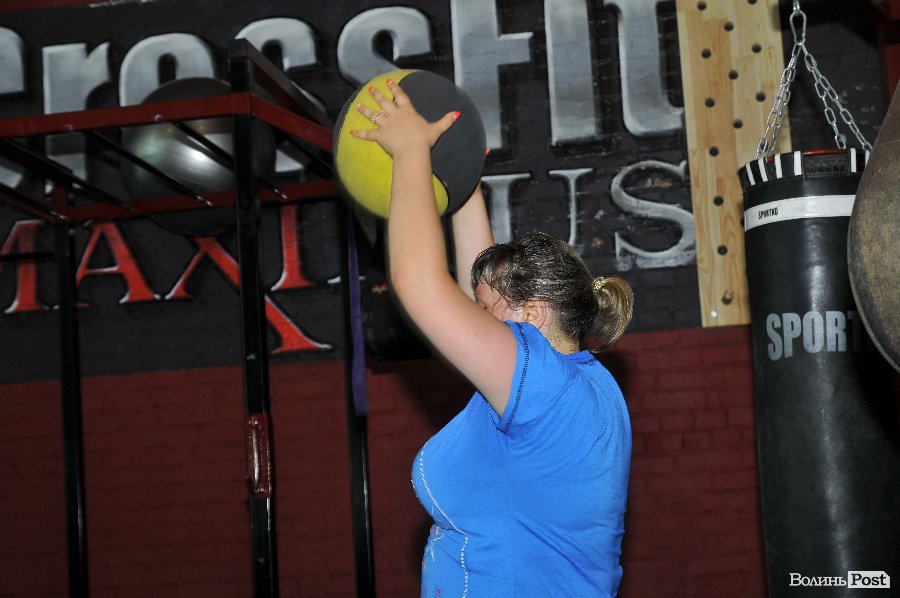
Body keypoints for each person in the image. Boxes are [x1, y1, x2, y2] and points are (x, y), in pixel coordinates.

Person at [352, 79, 634, 597]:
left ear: (534, 314)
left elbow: (419, 284)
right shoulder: (577, 383)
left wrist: (411, 149)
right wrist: (462, 175)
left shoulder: (546, 386)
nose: (472, 319)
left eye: (485, 310)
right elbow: (469, 297)